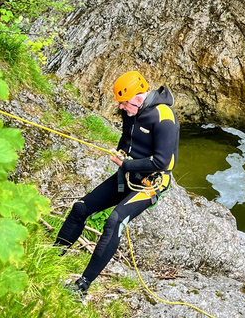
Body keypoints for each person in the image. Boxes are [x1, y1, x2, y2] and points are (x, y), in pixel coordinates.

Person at [54, 70, 179, 296]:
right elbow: (127, 137)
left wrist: (125, 165)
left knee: (115, 221)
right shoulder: (132, 111)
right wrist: (121, 152)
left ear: (138, 99)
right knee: (80, 208)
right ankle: (52, 257)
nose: (121, 108)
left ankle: (82, 286)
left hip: (153, 180)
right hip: (129, 174)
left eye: (124, 104)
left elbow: (161, 161)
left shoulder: (164, 117)